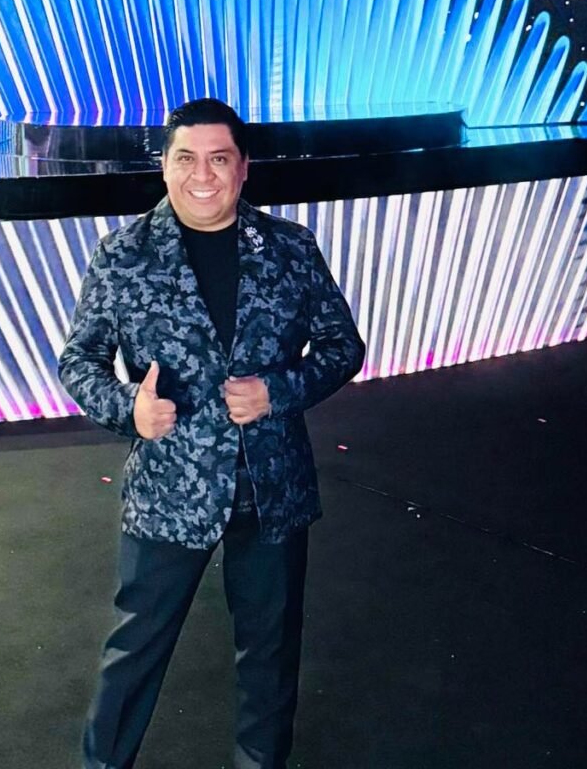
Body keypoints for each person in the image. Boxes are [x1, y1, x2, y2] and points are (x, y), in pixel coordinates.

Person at [58, 98, 366, 769]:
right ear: (165, 167)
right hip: (171, 487)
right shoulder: (124, 256)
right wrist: (130, 409)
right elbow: (78, 361)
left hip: (272, 486)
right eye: (186, 159)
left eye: (219, 159)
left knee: (270, 651)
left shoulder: (290, 249)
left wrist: (278, 392)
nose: (203, 175)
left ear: (243, 167)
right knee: (136, 650)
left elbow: (343, 346)